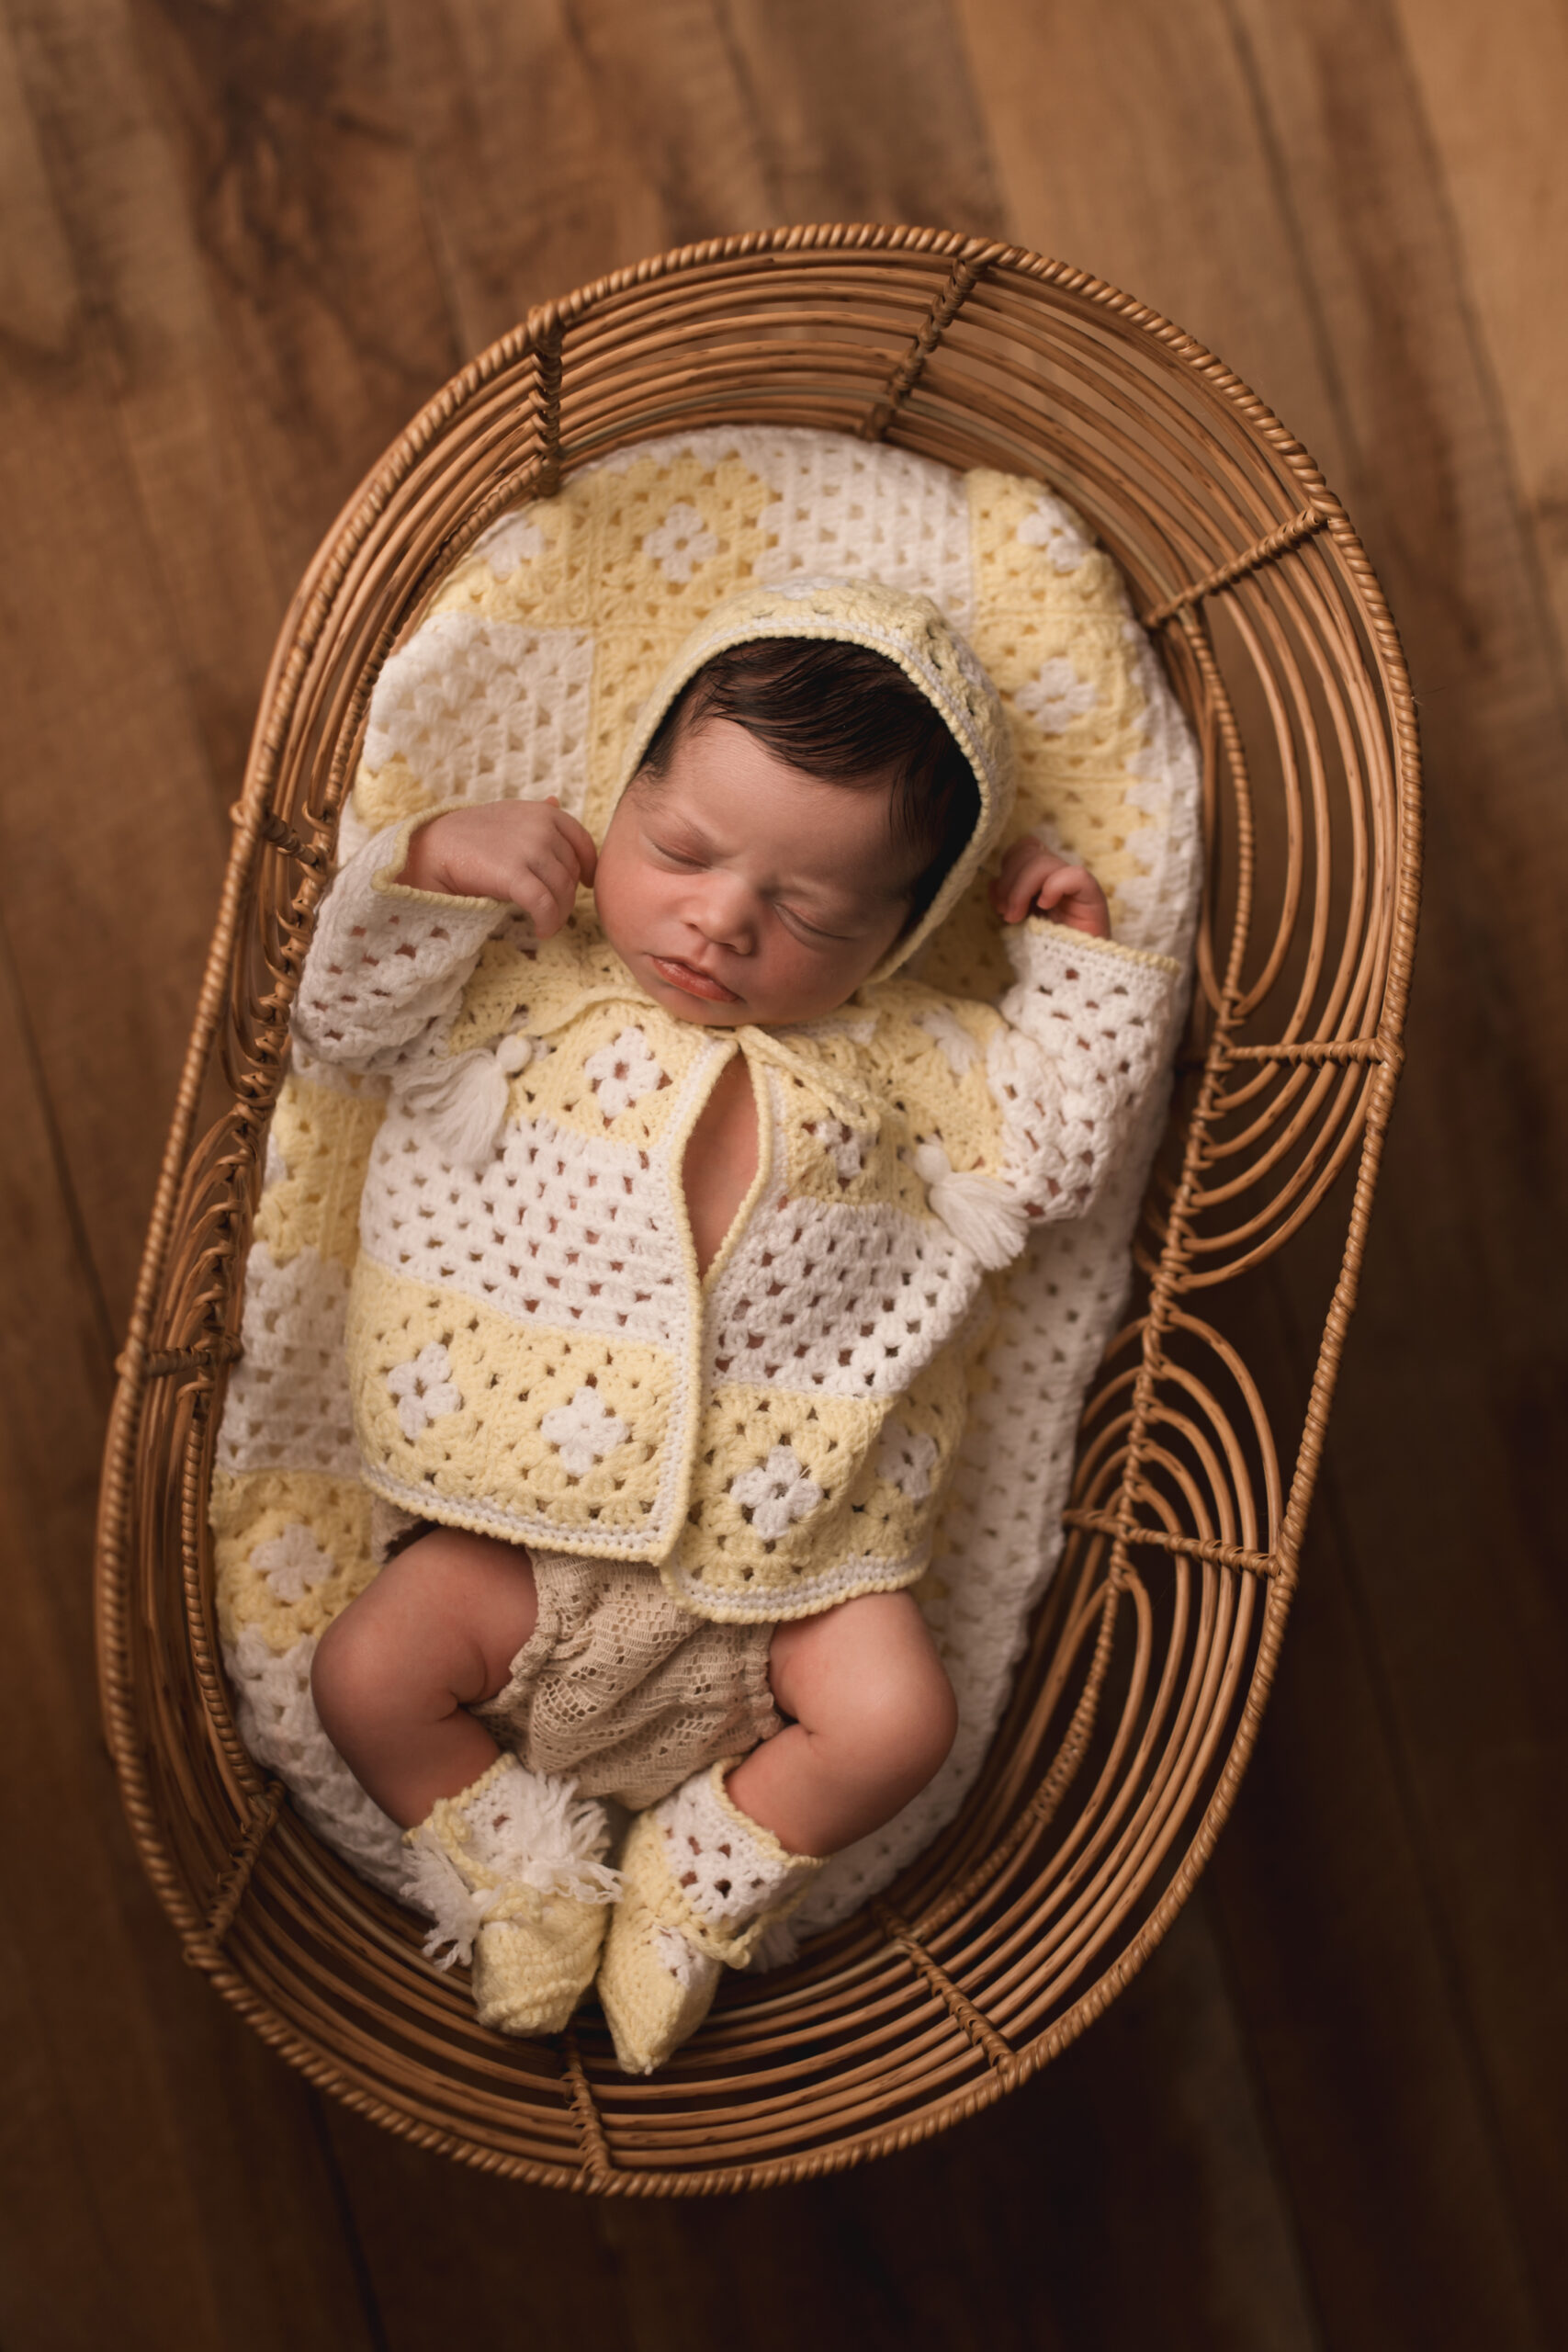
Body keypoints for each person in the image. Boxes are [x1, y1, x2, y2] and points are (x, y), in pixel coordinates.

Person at [294, 579, 1182, 2073]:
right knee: (365, 1674)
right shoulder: (525, 976)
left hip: (791, 1583)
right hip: (516, 1538)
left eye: (810, 910)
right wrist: (432, 862)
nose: (720, 920)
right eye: (681, 852)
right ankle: (519, 1857)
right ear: (619, 796)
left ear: (901, 936)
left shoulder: (913, 1069)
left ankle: (702, 1868)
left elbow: (1066, 1151)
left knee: (901, 1720)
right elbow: (343, 1018)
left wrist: (1077, 966)